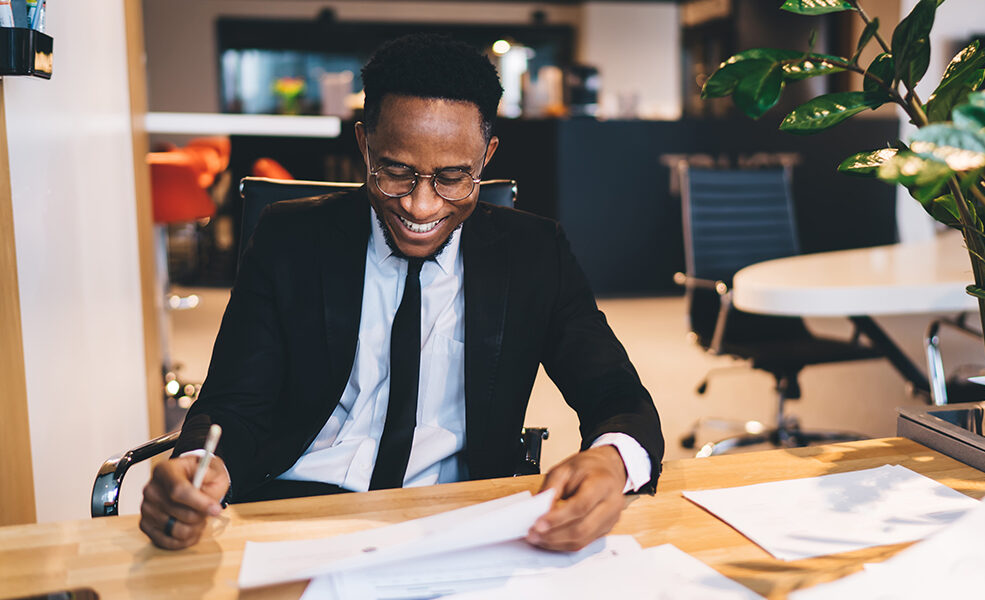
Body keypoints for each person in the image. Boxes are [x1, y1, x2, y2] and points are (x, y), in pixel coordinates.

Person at [139, 34, 663, 553]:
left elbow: (617, 396)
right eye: (395, 171)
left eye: (454, 177)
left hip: (461, 521)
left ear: (487, 156)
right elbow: (234, 404)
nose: (419, 205)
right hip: (297, 513)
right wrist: (200, 468)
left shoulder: (533, 253)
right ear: (365, 144)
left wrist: (611, 460)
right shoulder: (289, 240)